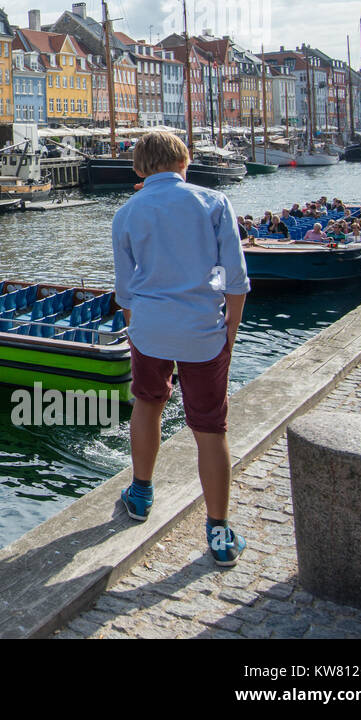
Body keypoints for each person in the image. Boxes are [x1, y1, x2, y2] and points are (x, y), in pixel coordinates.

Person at [112, 130, 249, 568]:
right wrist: (231, 329)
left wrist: (138, 330)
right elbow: (236, 277)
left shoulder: (126, 213)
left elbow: (125, 289)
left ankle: (140, 493)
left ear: (138, 170)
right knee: (210, 427)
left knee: (147, 405)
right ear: (184, 162)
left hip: (150, 328)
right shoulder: (214, 203)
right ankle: (220, 531)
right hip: (202, 330)